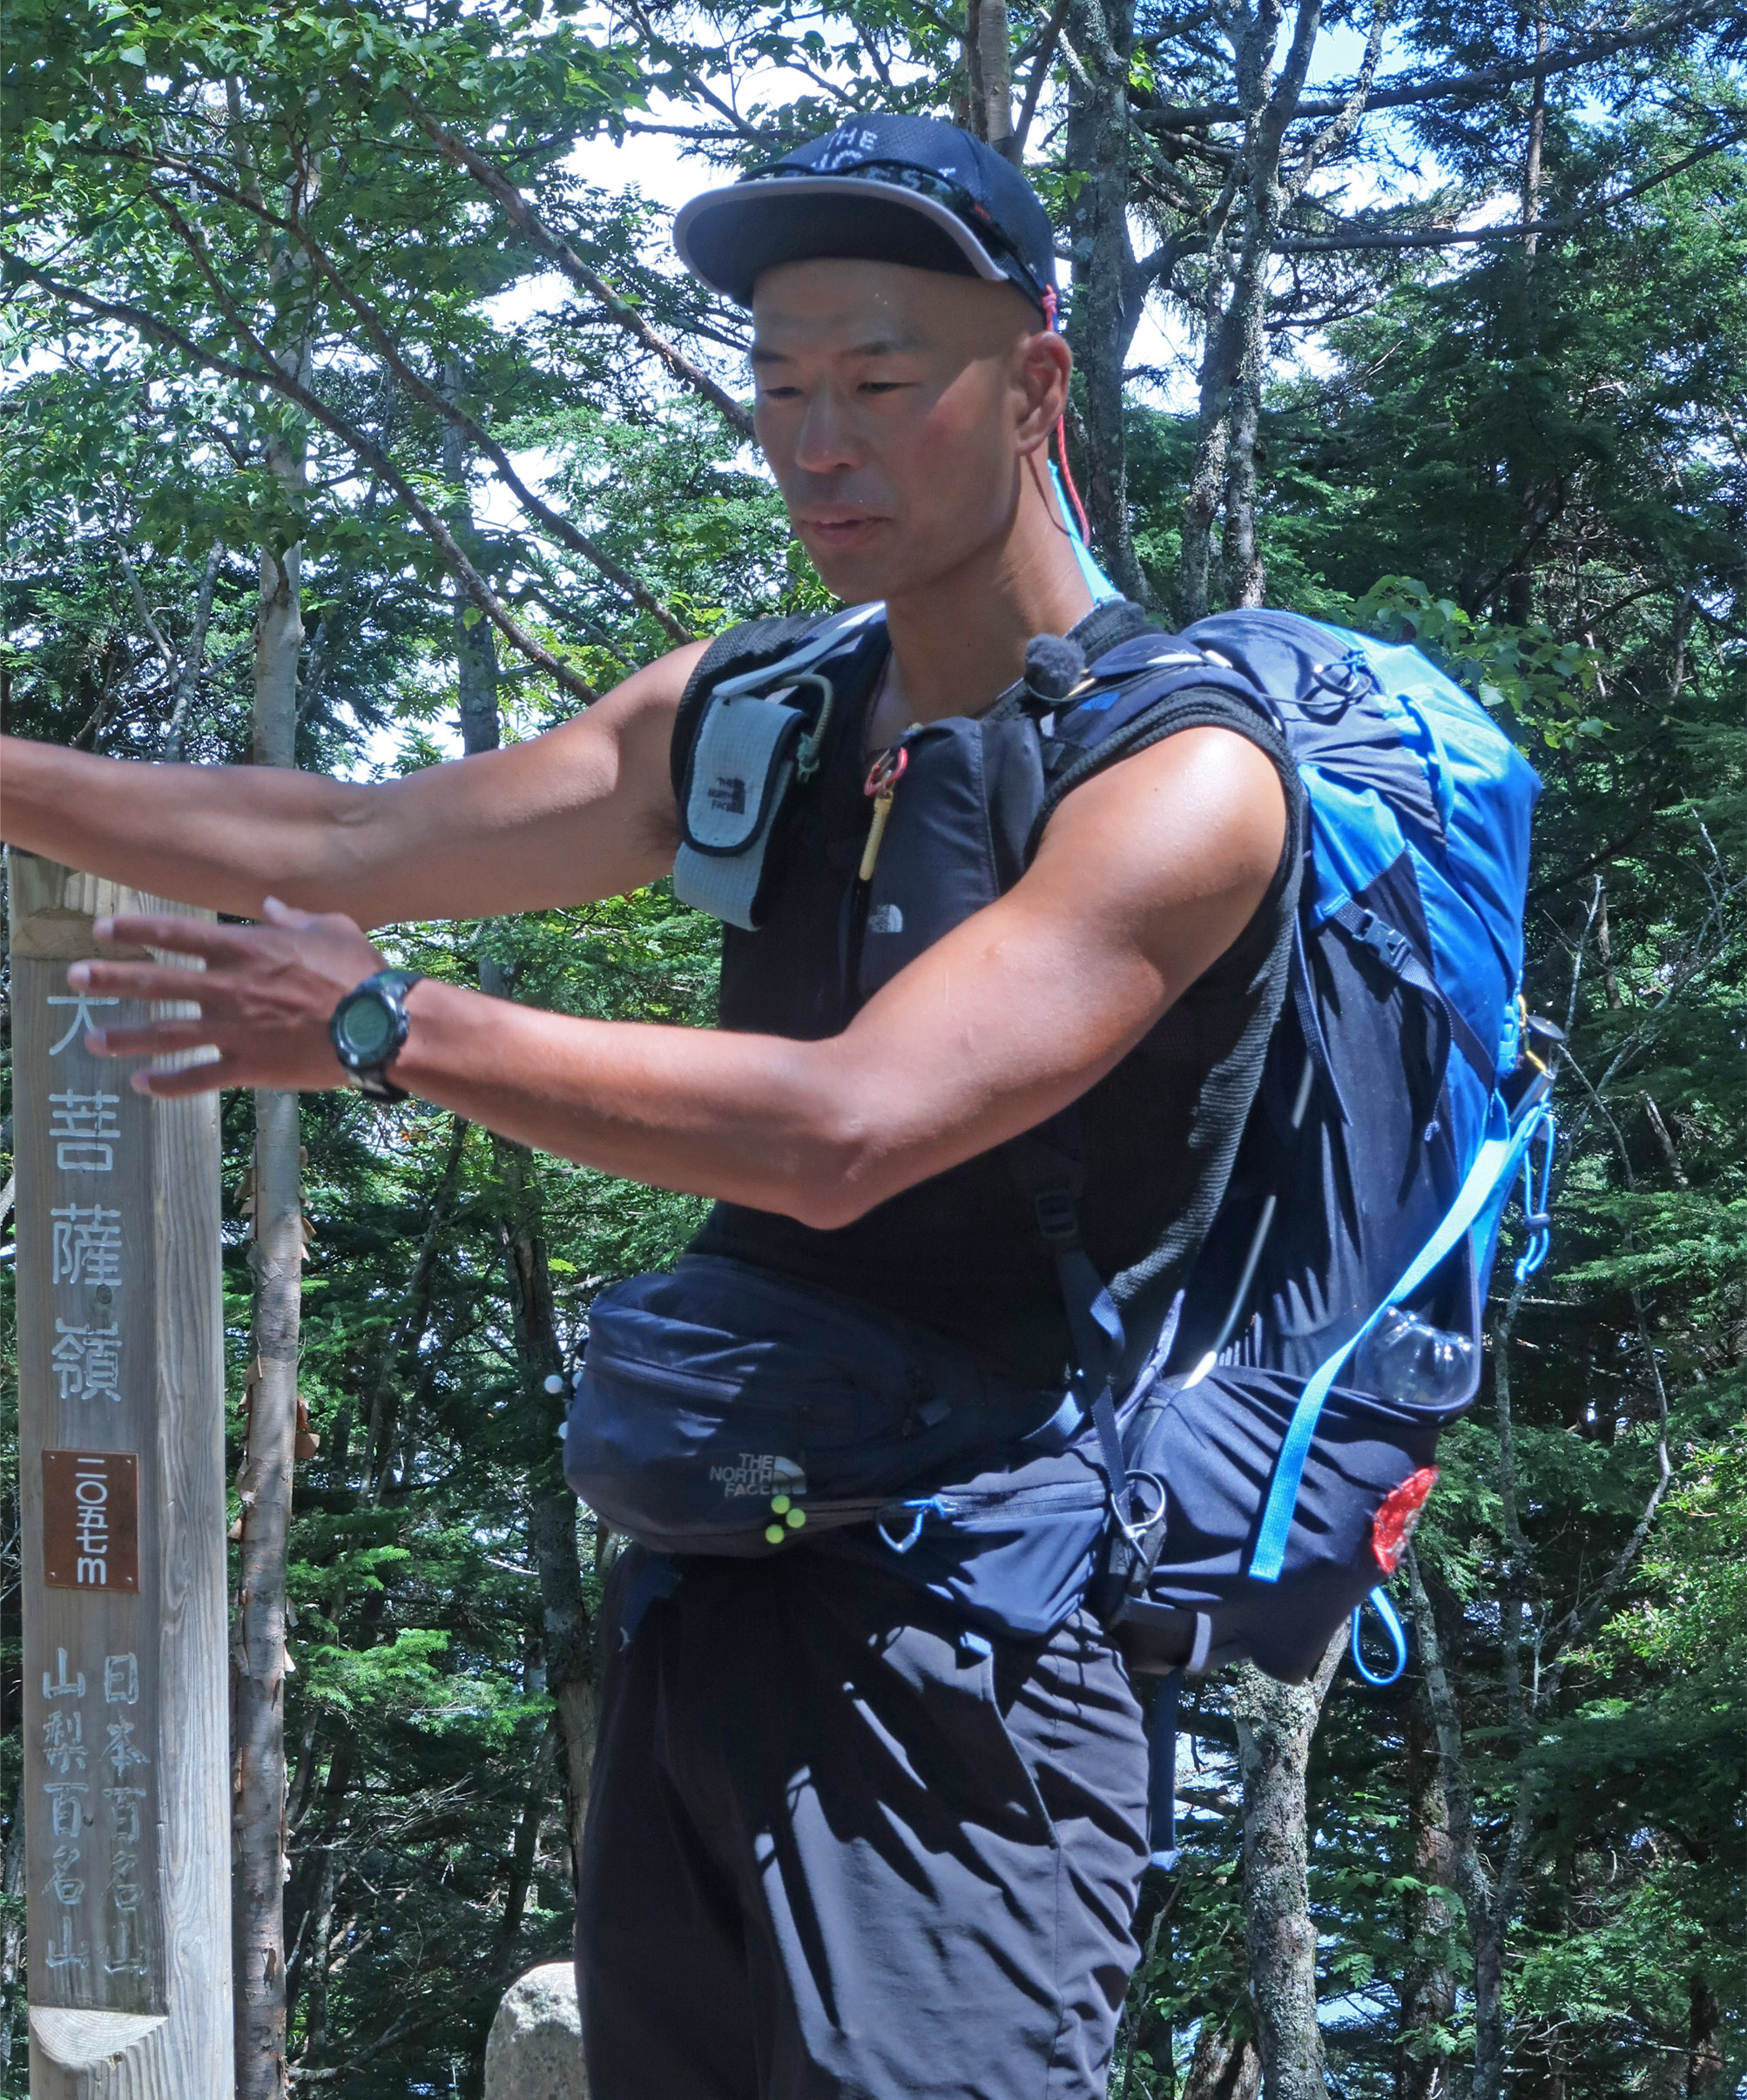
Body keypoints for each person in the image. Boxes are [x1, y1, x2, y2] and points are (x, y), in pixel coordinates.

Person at [2, 118, 1301, 2098]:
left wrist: (386, 1025)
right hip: (708, 1580)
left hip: (978, 1647)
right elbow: (340, 839)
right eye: (779, 389)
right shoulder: (767, 707)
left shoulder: (1181, 777)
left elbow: (849, 1127)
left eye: (878, 382)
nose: (816, 444)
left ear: (1035, 383)